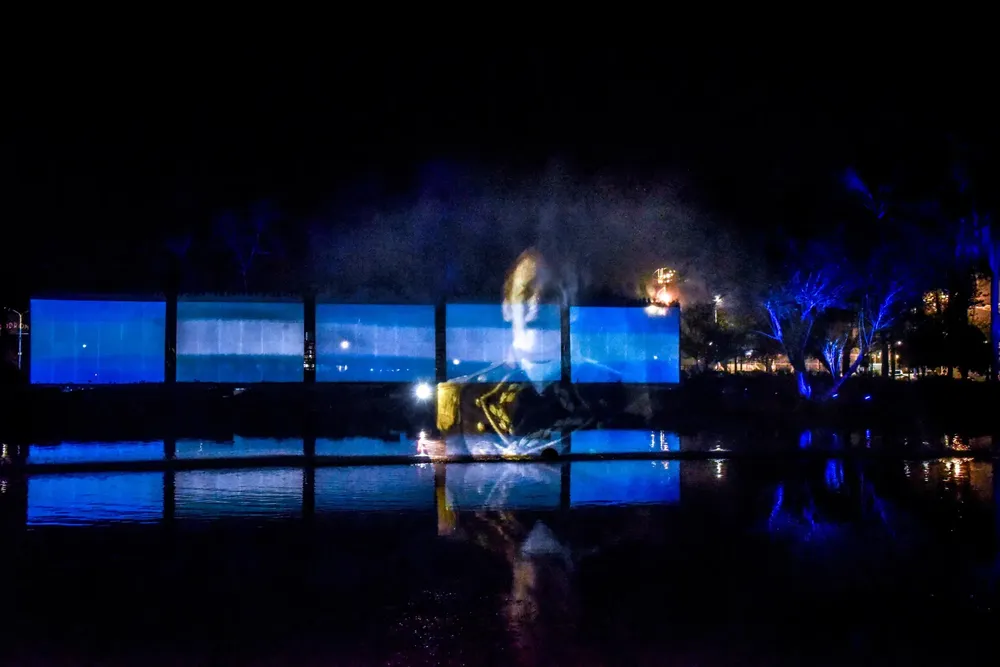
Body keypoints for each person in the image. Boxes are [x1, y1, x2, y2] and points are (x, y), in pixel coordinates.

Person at [437, 249, 621, 452]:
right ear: (507, 307)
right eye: (525, 294)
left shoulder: (612, 390)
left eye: (550, 295)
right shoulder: (461, 397)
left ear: (571, 310)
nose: (536, 305)